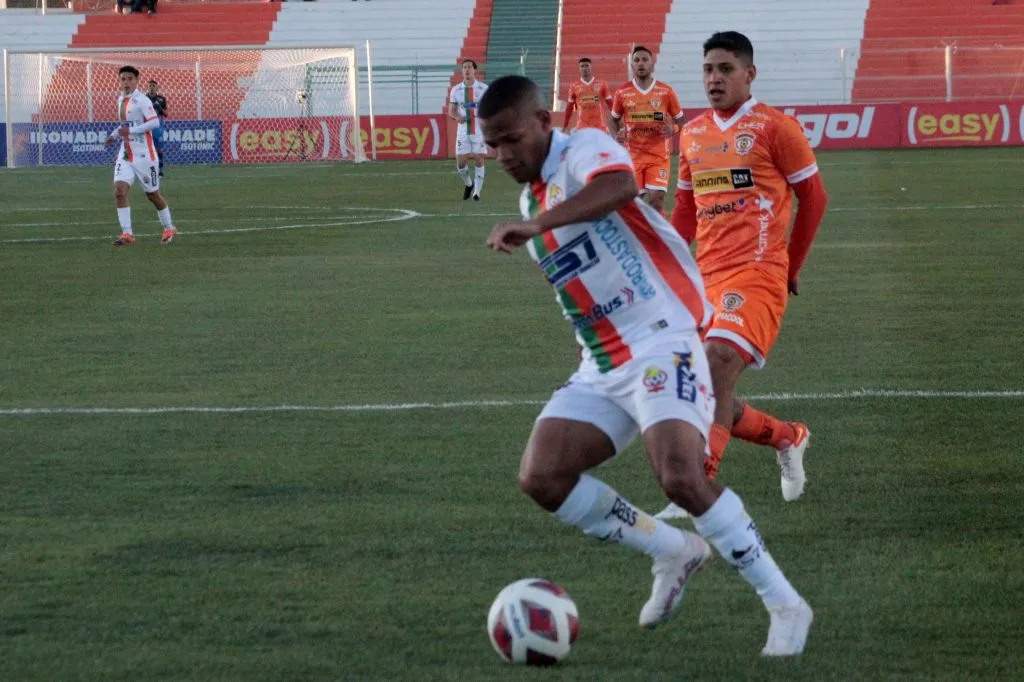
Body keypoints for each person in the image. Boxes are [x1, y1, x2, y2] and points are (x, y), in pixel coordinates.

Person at [479, 74, 812, 656]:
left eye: (511, 139)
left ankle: (785, 604)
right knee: (542, 476)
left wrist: (539, 225)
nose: (503, 155)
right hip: (603, 362)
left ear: (544, 123)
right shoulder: (530, 204)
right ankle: (672, 550)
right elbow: (582, 290)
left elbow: (620, 184)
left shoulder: (582, 150)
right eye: (492, 145)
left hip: (663, 338)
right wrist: (585, 359)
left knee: (681, 475)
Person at [655, 32, 828, 520]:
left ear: (749, 74)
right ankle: (788, 436)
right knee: (705, 391)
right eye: (708, 69)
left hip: (758, 271)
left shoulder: (776, 128)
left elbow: (814, 198)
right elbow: (685, 209)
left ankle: (697, 487)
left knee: (717, 361)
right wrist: (665, 268)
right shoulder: (692, 134)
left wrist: (792, 265)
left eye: (726, 69)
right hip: (705, 279)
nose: (714, 78)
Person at [105, 66, 177, 246]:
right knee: (119, 191)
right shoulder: (121, 99)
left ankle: (169, 227)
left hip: (145, 155)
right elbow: (125, 125)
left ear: (137, 81)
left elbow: (154, 123)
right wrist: (113, 136)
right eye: (123, 79)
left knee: (152, 194)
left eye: (130, 79)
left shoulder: (143, 100)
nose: (126, 82)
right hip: (126, 153)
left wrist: (130, 131)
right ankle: (127, 233)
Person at [608, 46, 684, 215]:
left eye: (645, 59)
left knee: (657, 200)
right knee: (632, 204)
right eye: (636, 60)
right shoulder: (622, 92)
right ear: (632, 66)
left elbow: (681, 120)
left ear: (652, 64)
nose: (641, 63)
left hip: (659, 157)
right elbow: (613, 120)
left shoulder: (666, 92)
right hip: (633, 156)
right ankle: (637, 231)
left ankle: (654, 231)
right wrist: (617, 136)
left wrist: (673, 128)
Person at [448, 59, 488, 201]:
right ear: (462, 71)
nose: (467, 70)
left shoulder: (483, 88)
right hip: (463, 130)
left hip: (479, 129)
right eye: (464, 67)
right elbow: (451, 111)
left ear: (474, 70)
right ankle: (469, 184)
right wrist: (457, 117)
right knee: (461, 164)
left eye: (469, 67)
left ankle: (477, 193)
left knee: (479, 158)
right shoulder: (456, 90)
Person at [561, 57, 612, 134]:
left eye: (587, 65)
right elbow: (569, 108)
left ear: (591, 67)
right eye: (582, 66)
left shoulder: (602, 84)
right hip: (582, 127)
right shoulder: (574, 86)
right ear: (579, 69)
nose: (585, 68)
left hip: (599, 127)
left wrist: (618, 122)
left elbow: (611, 105)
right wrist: (565, 126)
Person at [146, 80, 167, 177]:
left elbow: (166, 114)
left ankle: (160, 171)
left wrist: (160, 108)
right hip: (146, 127)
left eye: (153, 86)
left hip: (157, 127)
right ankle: (148, 170)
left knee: (159, 150)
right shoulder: (143, 99)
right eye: (150, 86)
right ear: (147, 87)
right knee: (146, 150)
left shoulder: (161, 99)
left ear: (157, 88)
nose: (151, 88)